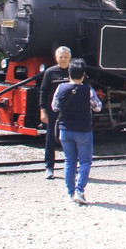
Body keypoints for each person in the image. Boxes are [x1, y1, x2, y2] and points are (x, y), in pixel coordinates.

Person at [51, 59, 103, 204]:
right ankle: (79, 191)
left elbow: (55, 107)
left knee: (69, 162)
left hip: (65, 130)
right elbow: (97, 107)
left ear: (69, 73)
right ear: (83, 74)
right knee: (85, 161)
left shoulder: (60, 88)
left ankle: (70, 192)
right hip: (83, 131)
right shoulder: (88, 90)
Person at [39, 46, 72, 179]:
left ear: (69, 58)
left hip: (70, 111)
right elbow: (43, 91)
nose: (63, 60)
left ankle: (70, 166)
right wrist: (42, 110)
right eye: (61, 57)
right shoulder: (50, 72)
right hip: (53, 111)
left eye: (65, 57)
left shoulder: (74, 72)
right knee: (50, 140)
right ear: (56, 58)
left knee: (70, 140)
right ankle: (49, 167)